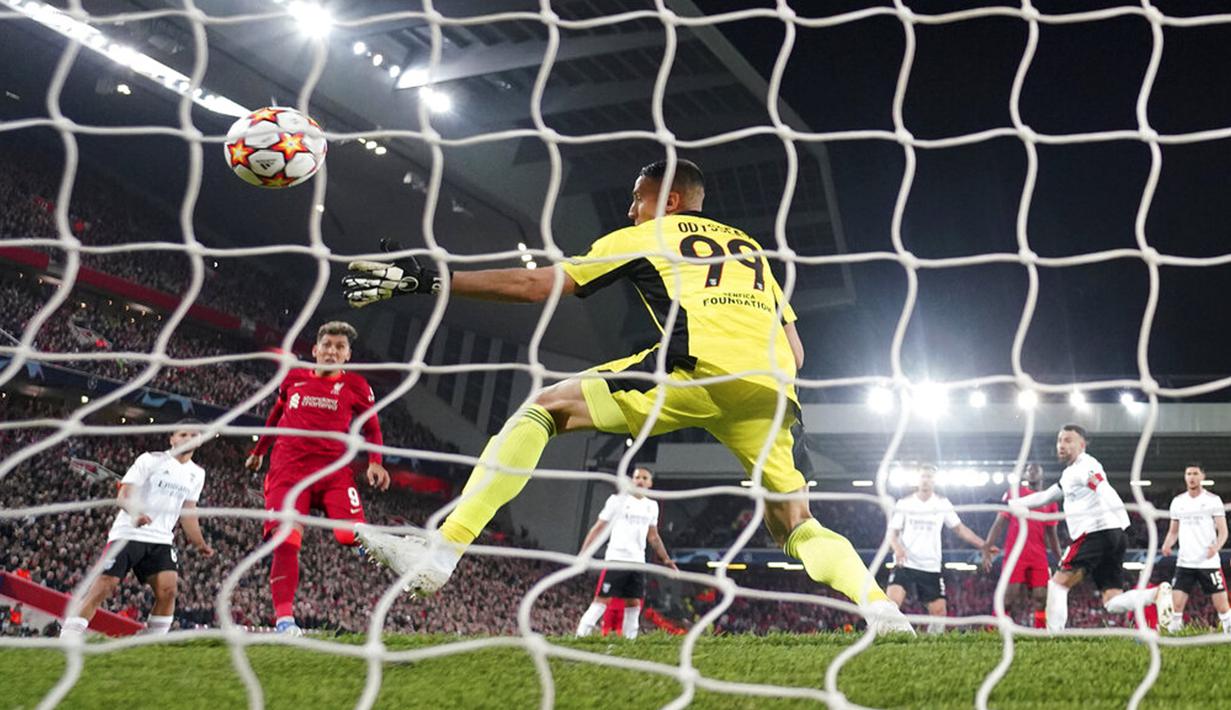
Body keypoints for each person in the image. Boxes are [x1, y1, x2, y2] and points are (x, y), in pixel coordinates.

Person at [344, 159, 912, 633]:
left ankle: (442, 552)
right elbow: (798, 349)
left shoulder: (646, 235)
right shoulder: (750, 250)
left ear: (668, 202)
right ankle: (881, 610)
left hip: (693, 369)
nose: (629, 210)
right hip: (771, 391)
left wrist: (429, 277)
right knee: (796, 525)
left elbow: (535, 285)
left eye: (637, 199)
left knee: (544, 407)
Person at [245, 321, 391, 635]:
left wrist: (375, 462)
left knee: (348, 536)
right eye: (327, 345)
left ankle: (388, 550)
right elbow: (276, 413)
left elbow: (373, 428)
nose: (332, 351)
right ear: (315, 350)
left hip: (333, 473)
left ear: (347, 355)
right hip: (288, 472)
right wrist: (259, 451)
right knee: (286, 540)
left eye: (339, 347)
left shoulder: (357, 386)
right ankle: (285, 622)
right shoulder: (294, 377)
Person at [1008, 424, 1172, 631]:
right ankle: (1155, 594)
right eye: (1060, 440)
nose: (1062, 445)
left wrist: (1127, 523)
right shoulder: (1070, 473)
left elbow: (1105, 490)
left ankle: (1052, 638)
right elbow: (1048, 495)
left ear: (1082, 445)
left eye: (1068, 440)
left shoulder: (1086, 466)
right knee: (1112, 602)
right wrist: (1016, 503)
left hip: (1095, 533)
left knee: (1057, 584)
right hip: (1111, 536)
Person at [60, 422, 214, 638]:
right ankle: (68, 636)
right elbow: (123, 495)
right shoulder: (151, 460)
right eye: (183, 434)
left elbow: (188, 511)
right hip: (129, 533)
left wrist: (200, 543)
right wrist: (135, 514)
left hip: (161, 539)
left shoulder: (197, 474)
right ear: (172, 439)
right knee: (105, 585)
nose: (189, 438)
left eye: (194, 434)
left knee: (168, 591)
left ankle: (152, 643)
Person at [887, 465, 995, 634]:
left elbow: (960, 529)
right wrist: (897, 548)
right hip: (905, 564)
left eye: (929, 477)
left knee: (939, 614)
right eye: (923, 476)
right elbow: (891, 534)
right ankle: (886, 641)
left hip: (930, 566)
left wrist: (984, 545)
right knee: (890, 606)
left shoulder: (942, 503)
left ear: (934, 480)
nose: (926, 480)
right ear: (917, 479)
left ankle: (929, 646)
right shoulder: (905, 503)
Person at [575, 467, 677, 639]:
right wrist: (583, 553)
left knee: (634, 603)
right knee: (602, 599)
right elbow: (598, 528)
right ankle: (580, 635)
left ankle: (630, 641)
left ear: (650, 483)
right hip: (616, 559)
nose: (640, 480)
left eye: (645, 478)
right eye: (637, 477)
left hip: (637, 561)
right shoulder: (617, 501)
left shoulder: (652, 506)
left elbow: (653, 537)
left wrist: (666, 560)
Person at [981, 463, 1062, 628]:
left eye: (1035, 469)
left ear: (1042, 474)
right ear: (1024, 476)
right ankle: (989, 633)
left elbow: (1052, 534)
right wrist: (987, 546)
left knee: (1041, 598)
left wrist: (1060, 559)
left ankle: (1040, 634)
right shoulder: (1014, 494)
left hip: (1038, 555)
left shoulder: (1050, 500)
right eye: (1028, 470)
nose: (1031, 472)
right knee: (1008, 599)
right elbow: (1000, 522)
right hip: (1015, 554)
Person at [1160, 463, 1230, 633]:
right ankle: (1174, 636)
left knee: (1222, 606)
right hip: (1185, 562)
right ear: (1185, 477)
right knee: (1176, 606)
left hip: (1208, 562)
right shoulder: (1178, 502)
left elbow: (1223, 531)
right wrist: (1167, 544)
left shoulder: (1213, 501)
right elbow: (1173, 531)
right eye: (1188, 473)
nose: (1191, 477)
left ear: (1202, 477)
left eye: (1195, 473)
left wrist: (1216, 547)